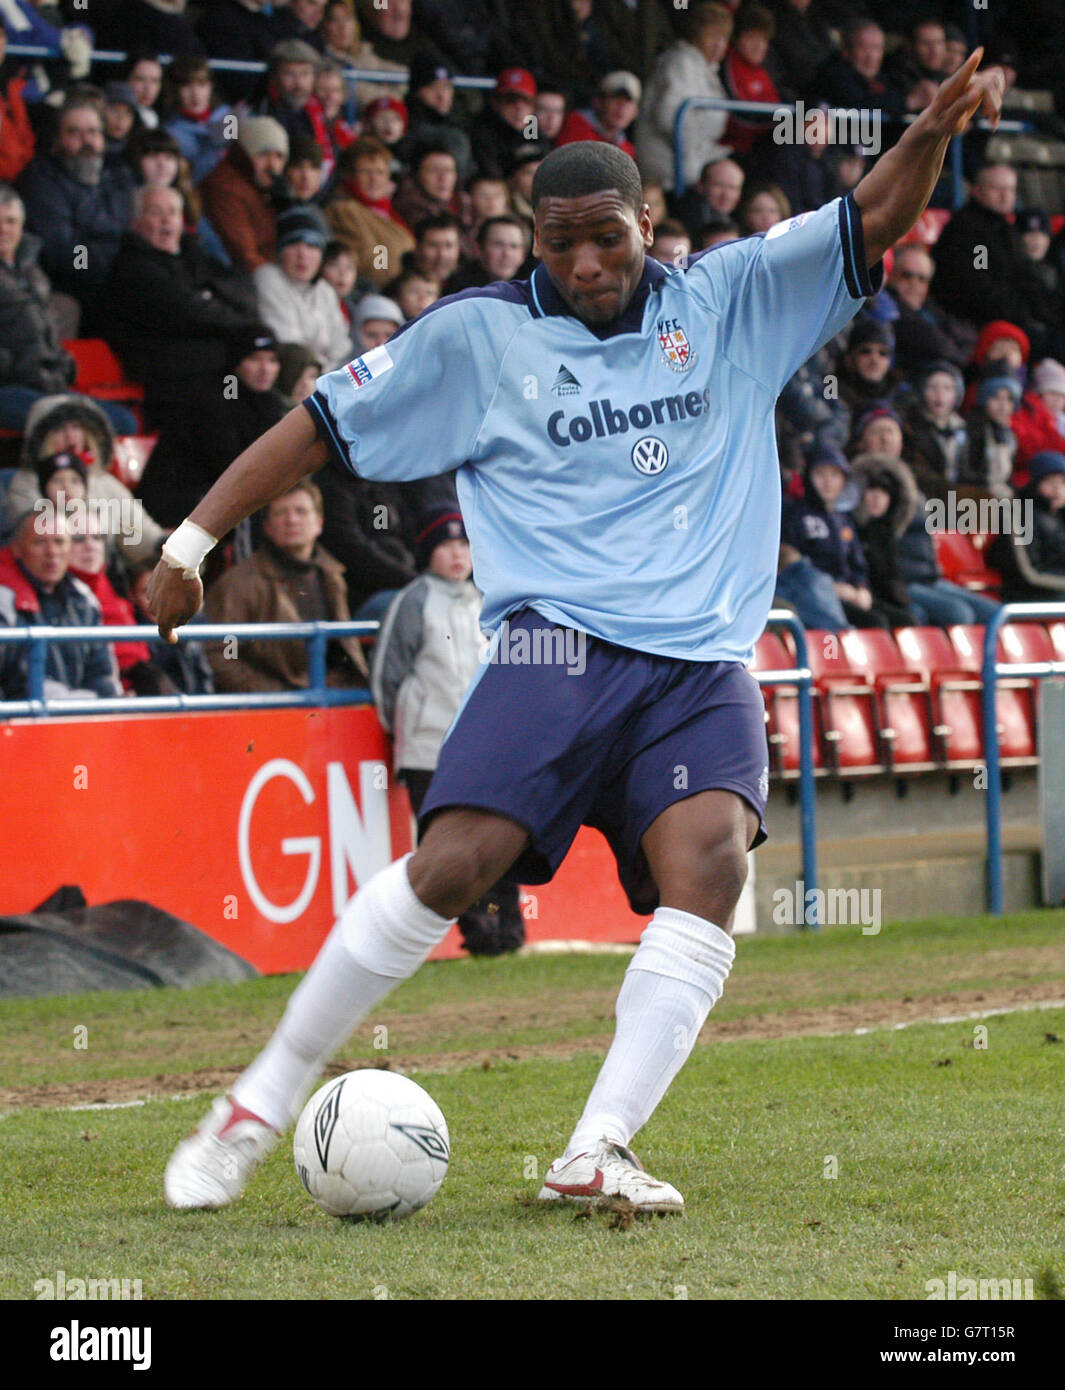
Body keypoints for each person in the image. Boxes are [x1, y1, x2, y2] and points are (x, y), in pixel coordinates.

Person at [148, 54, 1007, 1214]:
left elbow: (871, 217)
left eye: (607, 236)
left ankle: (596, 1147)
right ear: (533, 242)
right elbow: (314, 429)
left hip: (700, 663)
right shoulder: (474, 340)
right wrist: (189, 547)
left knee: (709, 864)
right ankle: (256, 1100)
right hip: (559, 647)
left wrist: (933, 133)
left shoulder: (734, 297)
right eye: (560, 245)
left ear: (649, 220)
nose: (588, 264)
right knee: (454, 865)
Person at [372, 507, 525, 957]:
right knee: (446, 848)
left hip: (489, 748)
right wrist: (406, 727)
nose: (457, 555)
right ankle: (475, 933)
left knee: (503, 841)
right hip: (428, 749)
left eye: (465, 545)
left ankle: (509, 930)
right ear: (428, 553)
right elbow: (389, 675)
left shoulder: (493, 600)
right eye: (446, 545)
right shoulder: (413, 601)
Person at [104, 184, 261, 430]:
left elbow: (244, 295)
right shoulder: (133, 266)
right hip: (171, 384)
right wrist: (212, 302)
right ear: (136, 222)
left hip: (213, 374)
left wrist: (209, 301)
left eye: (173, 212)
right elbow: (190, 311)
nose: (167, 220)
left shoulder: (194, 254)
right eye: (156, 213)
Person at [202, 479, 368, 693]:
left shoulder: (333, 576)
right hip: (272, 709)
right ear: (267, 526)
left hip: (332, 700)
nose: (292, 520)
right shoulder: (237, 584)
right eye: (281, 513)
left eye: (301, 511)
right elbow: (223, 655)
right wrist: (280, 693)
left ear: (319, 523)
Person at [18, 94, 135, 326]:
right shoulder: (40, 179)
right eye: (74, 132)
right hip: (74, 282)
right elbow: (67, 253)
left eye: (93, 131)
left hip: (120, 276)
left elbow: (130, 232)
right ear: (57, 139)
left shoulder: (118, 175)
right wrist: (110, 264)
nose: (86, 140)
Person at [0, 509, 122, 702]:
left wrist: (102, 705)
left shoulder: (84, 600)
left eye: (59, 542)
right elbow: (14, 681)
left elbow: (103, 674)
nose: (52, 552)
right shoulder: (4, 602)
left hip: (82, 721)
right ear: (17, 549)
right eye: (39, 542)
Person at [635, 2, 733, 192]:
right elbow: (670, 117)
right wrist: (702, 155)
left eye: (724, 39)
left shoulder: (706, 68)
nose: (719, 45)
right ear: (696, 35)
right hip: (670, 168)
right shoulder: (681, 63)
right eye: (712, 36)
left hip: (695, 161)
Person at [254, 205, 351, 369]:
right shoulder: (268, 278)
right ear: (279, 251)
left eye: (312, 246)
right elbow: (290, 347)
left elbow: (341, 345)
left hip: (324, 376)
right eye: (293, 244)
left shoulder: (323, 289)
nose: (302, 255)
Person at [200, 116, 289, 273]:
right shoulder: (225, 189)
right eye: (263, 154)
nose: (272, 165)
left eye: (279, 156)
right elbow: (246, 257)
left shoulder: (262, 188)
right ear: (243, 154)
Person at [989, 452, 1065, 603]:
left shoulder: (1060, 516)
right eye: (1050, 482)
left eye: (1063, 483)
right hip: (1027, 594)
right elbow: (1029, 573)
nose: (1058, 489)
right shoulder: (1019, 515)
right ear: (1034, 484)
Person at [554, 71, 640, 158]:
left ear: (635, 112)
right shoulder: (575, 125)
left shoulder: (627, 149)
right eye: (616, 99)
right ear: (598, 102)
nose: (621, 107)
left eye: (628, 102)